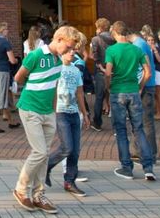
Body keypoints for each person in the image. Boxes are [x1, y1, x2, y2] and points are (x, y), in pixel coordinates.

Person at [12, 25, 82, 213]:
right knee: (40, 152)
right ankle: (21, 189)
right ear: (58, 40)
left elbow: (54, 85)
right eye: (68, 47)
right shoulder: (36, 55)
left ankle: (38, 194)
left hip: (48, 112)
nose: (70, 52)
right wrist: (33, 88)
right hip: (30, 109)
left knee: (43, 156)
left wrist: (52, 110)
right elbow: (19, 77)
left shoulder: (59, 61)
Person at [105, 21, 155, 181]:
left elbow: (107, 73)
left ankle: (126, 167)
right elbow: (148, 72)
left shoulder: (111, 50)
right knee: (138, 129)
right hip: (133, 91)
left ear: (114, 33)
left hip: (118, 91)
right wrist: (139, 87)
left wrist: (109, 87)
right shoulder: (136, 49)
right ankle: (148, 167)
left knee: (120, 130)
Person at [45, 34, 90, 197]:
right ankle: (46, 165)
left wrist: (84, 114)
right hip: (61, 112)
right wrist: (54, 111)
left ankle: (70, 181)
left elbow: (80, 94)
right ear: (62, 52)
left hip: (73, 113)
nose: (72, 54)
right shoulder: (57, 69)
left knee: (75, 151)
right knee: (67, 147)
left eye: (74, 51)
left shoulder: (76, 71)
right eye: (69, 51)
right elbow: (52, 91)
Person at [130, 27, 158, 161]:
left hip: (145, 86)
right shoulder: (141, 43)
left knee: (145, 121)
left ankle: (149, 153)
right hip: (148, 85)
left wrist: (140, 86)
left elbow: (145, 68)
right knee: (143, 120)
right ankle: (144, 151)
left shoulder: (138, 45)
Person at [89, 17, 114, 131]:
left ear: (99, 28)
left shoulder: (96, 39)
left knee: (99, 97)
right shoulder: (114, 38)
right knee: (114, 96)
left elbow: (94, 56)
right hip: (113, 69)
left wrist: (100, 66)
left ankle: (97, 122)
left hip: (101, 70)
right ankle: (116, 123)